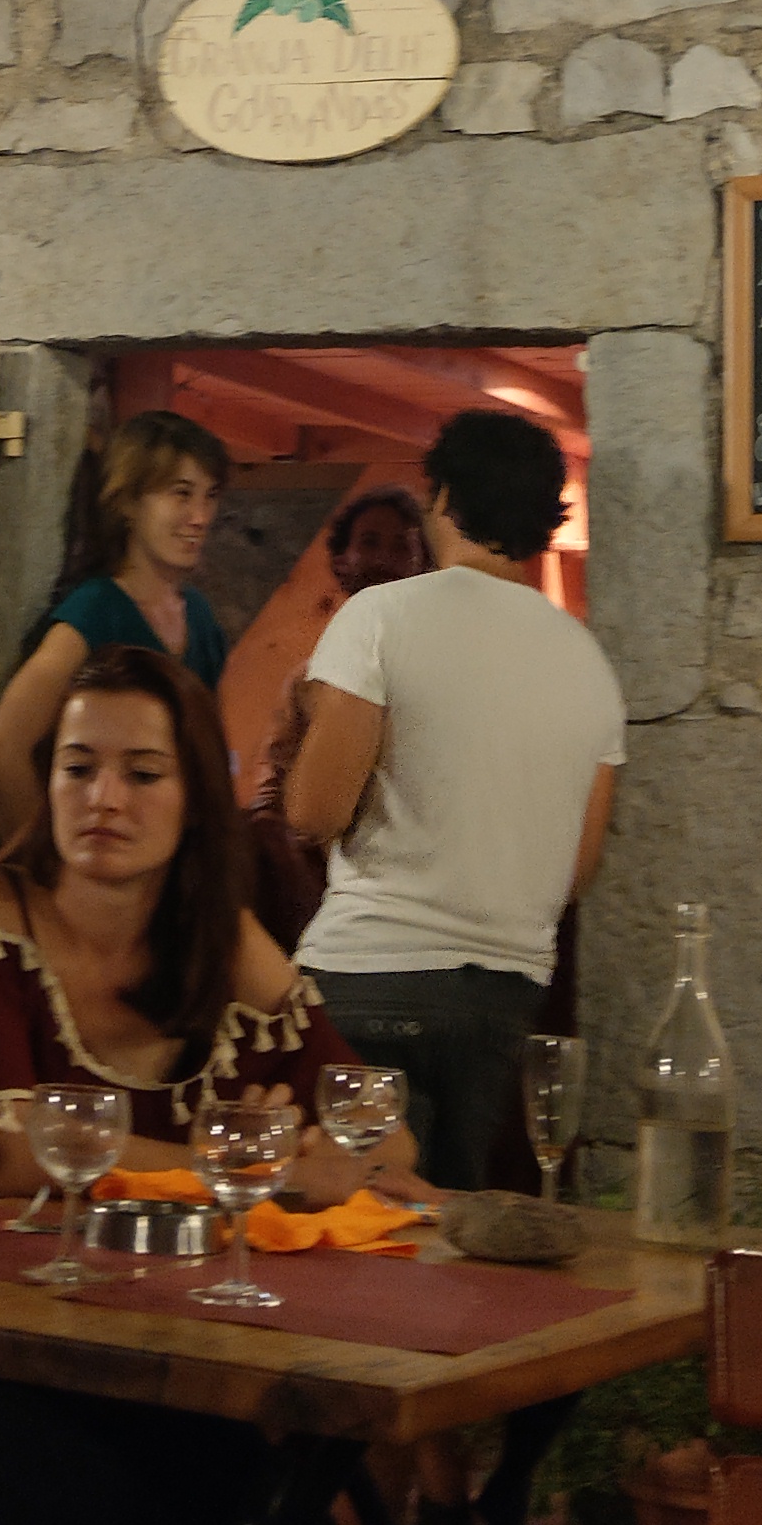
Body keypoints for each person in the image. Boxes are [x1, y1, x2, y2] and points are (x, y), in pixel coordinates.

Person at [0, 646, 411, 1525]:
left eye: (142, 772)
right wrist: (244, 1163)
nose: (103, 798)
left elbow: (382, 1135)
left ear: (195, 796)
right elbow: (8, 1147)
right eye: (78, 767)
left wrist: (329, 1158)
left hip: (160, 1366)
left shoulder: (224, 942)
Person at [286, 409, 623, 1193]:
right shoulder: (588, 663)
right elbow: (576, 870)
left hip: (369, 971)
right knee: (445, 1234)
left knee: (345, 1227)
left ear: (440, 498)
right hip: (504, 994)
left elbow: (311, 811)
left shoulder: (381, 617)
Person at [0, 409, 231, 844]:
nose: (200, 516)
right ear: (128, 502)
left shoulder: (200, 616)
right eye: (181, 494)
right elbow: (0, 749)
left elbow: (210, 758)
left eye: (210, 496)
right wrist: (49, 862)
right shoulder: (95, 609)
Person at [241, 488, 430, 953]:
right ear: (342, 560)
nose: (384, 559)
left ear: (421, 563)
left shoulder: (438, 674)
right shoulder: (308, 680)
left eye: (400, 545)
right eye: (369, 542)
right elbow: (272, 786)